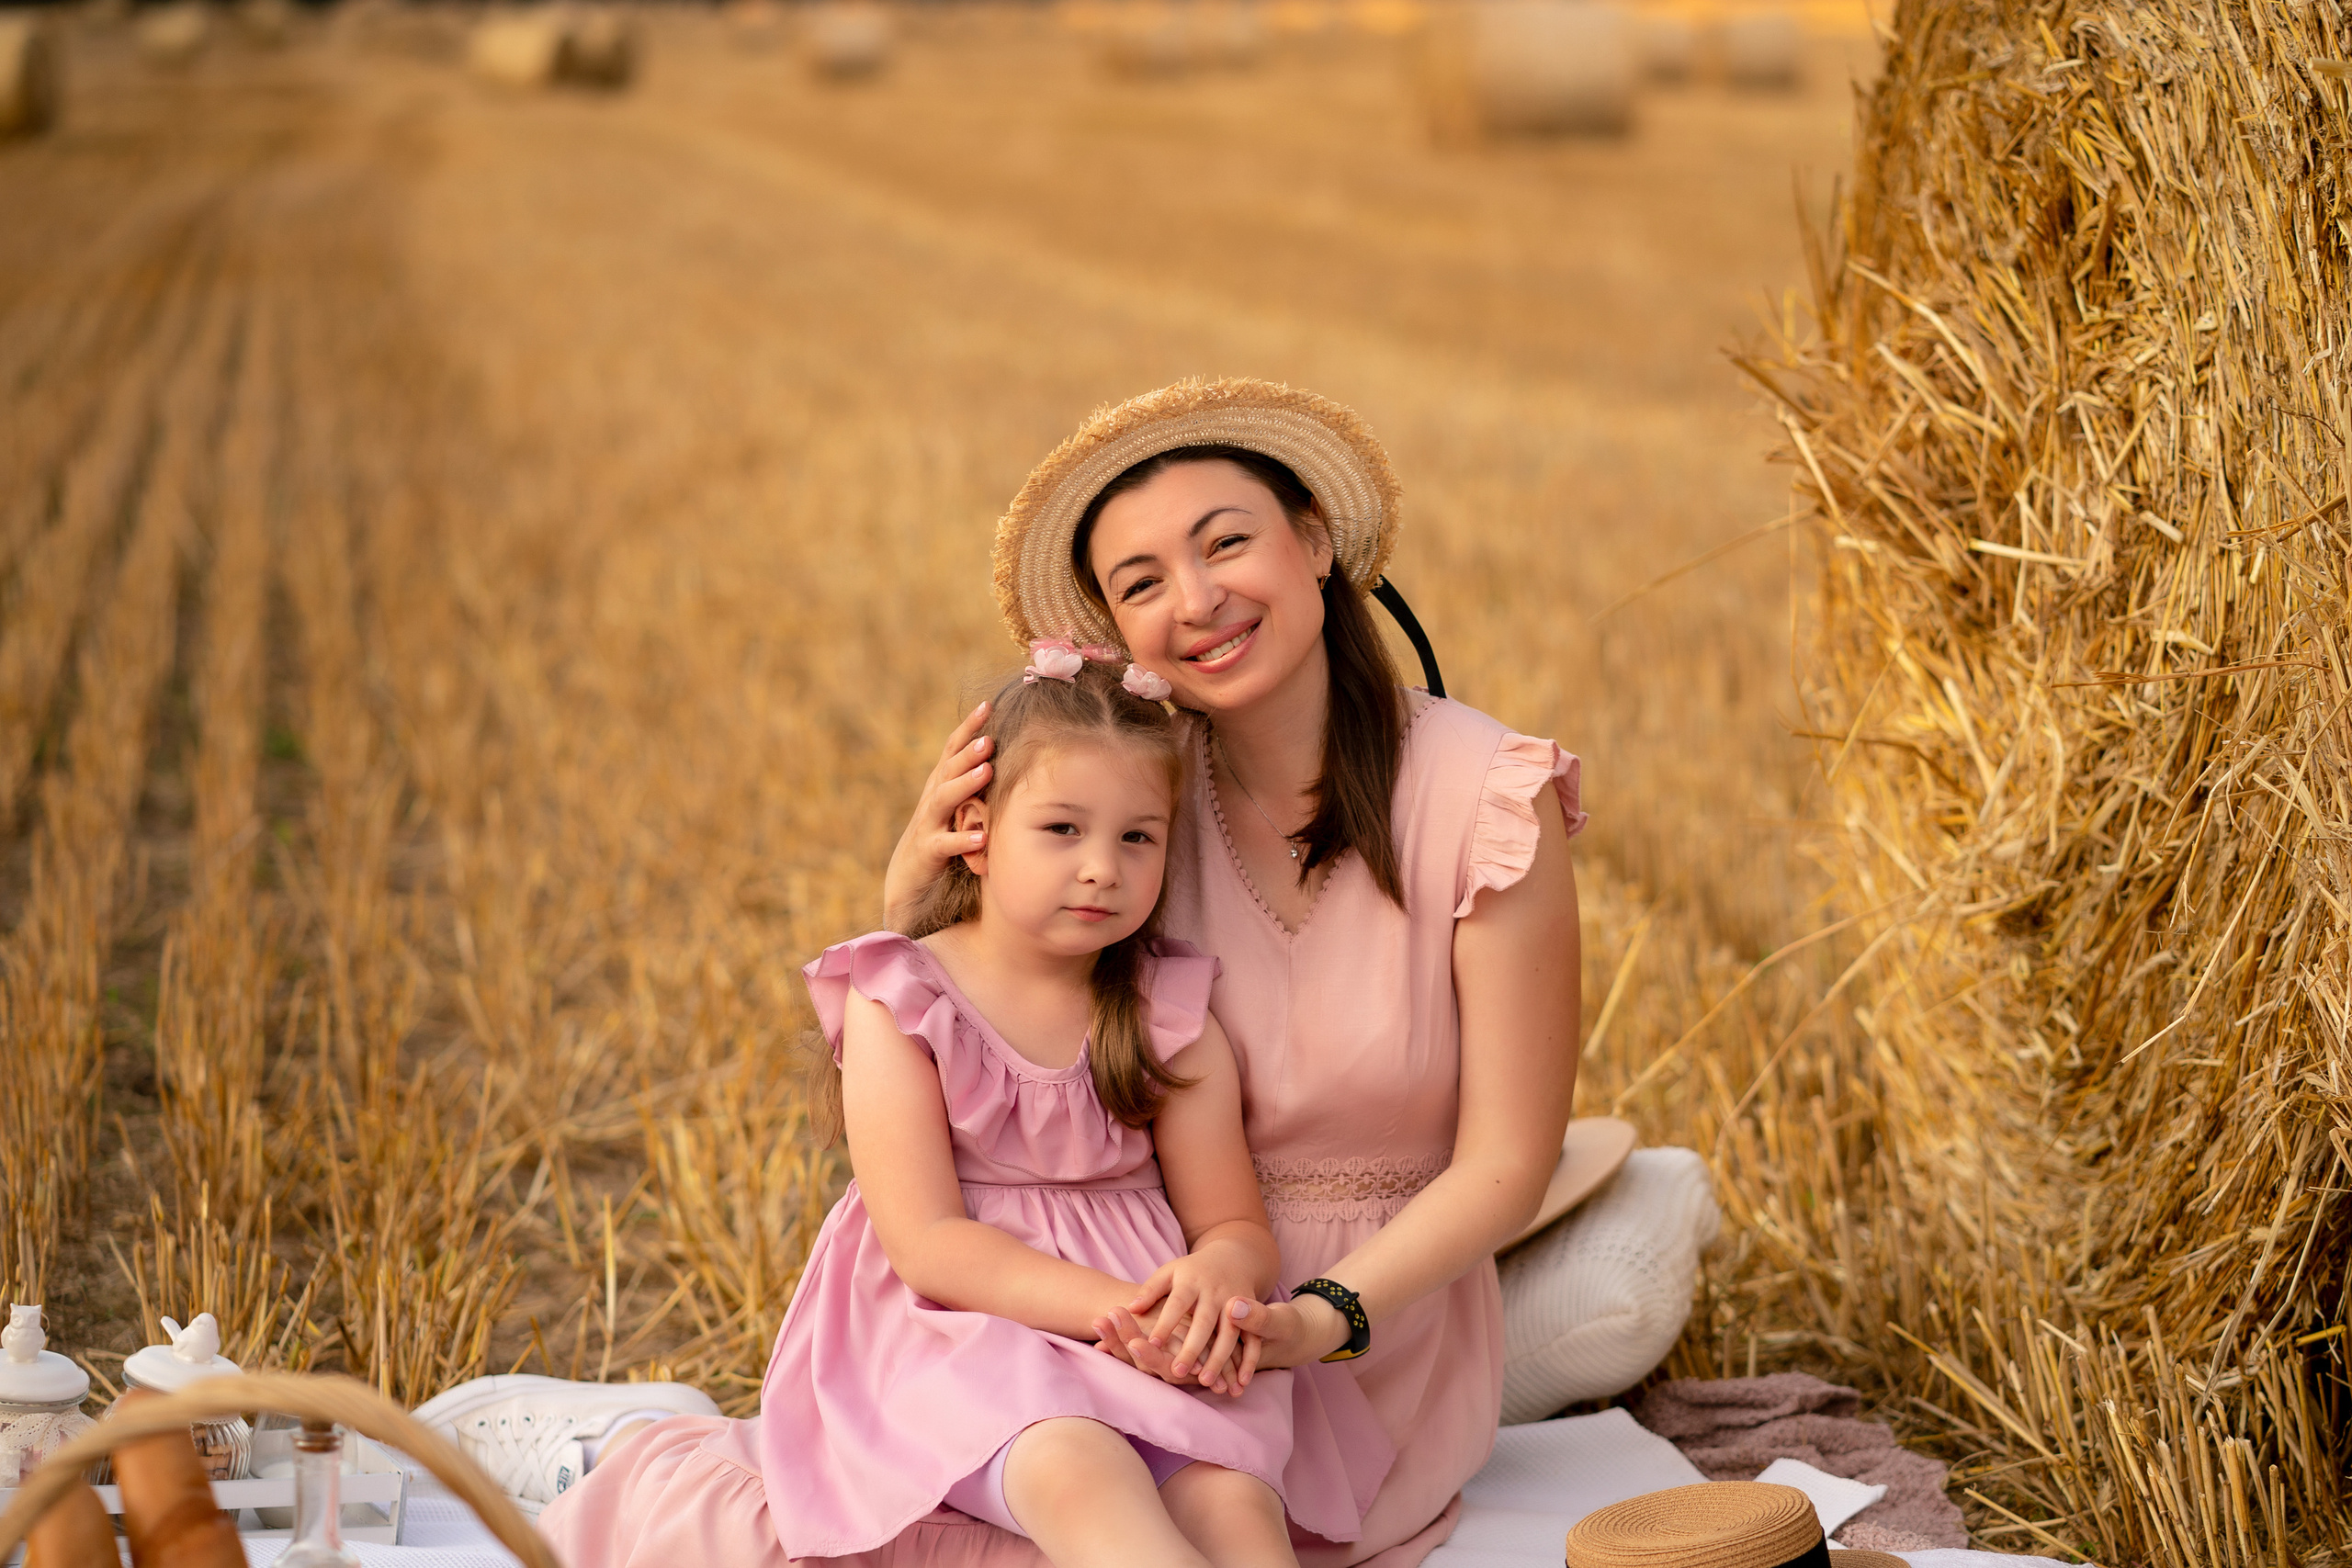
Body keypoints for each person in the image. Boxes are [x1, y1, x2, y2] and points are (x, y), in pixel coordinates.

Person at [443, 378, 1583, 1568]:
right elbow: (954, 1038)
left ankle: (637, 1440)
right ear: (1113, 627)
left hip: (1345, 1333)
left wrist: (1313, 1315)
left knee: (1161, 1521)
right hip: (1090, 1313)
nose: (1196, 600)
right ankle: (630, 1452)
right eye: (1142, 581)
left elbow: (1509, 1159)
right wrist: (912, 894)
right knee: (1010, 1518)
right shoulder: (1127, 799)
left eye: (1227, 542)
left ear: (1313, 541)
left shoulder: (1481, 797)